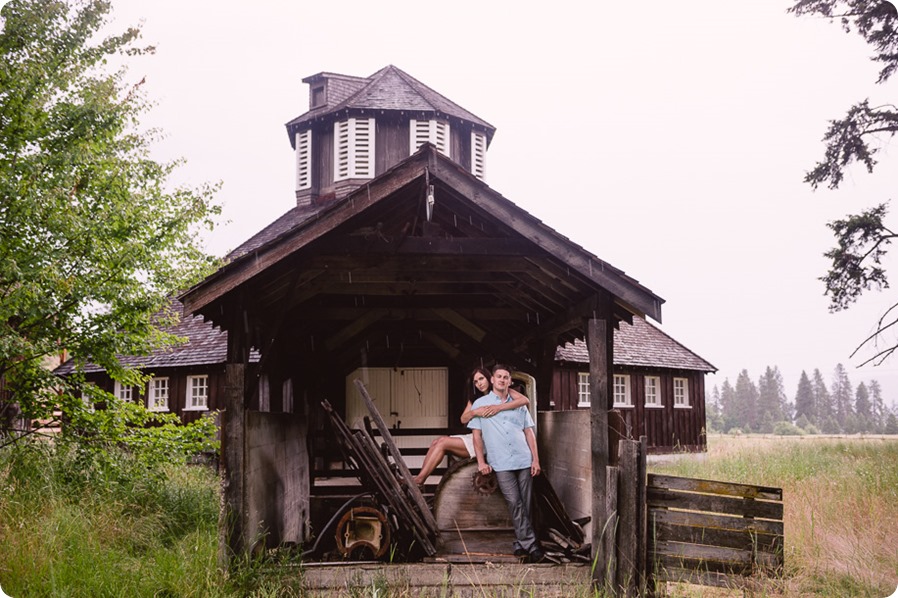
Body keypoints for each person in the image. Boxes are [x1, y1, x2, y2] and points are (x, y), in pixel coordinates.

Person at [468, 364, 544, 563]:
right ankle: (532, 545)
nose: (502, 380)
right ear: (492, 380)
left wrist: (535, 459)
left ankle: (521, 545)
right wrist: (481, 462)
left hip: (523, 459)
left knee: (526, 503)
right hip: (501, 462)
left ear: (510, 382)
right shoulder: (480, 405)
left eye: (506, 377)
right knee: (514, 502)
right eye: (499, 376)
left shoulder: (518, 404)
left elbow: (529, 432)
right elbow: (477, 437)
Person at [411, 367, 529, 486]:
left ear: (490, 378)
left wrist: (498, 408)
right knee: (437, 441)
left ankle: (419, 480)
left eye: (481, 379)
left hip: (490, 440)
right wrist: (475, 412)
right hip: (476, 436)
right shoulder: (475, 399)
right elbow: (463, 419)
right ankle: (419, 478)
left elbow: (524, 400)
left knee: (442, 442)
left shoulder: (503, 391)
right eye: (476, 382)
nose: (479, 383)